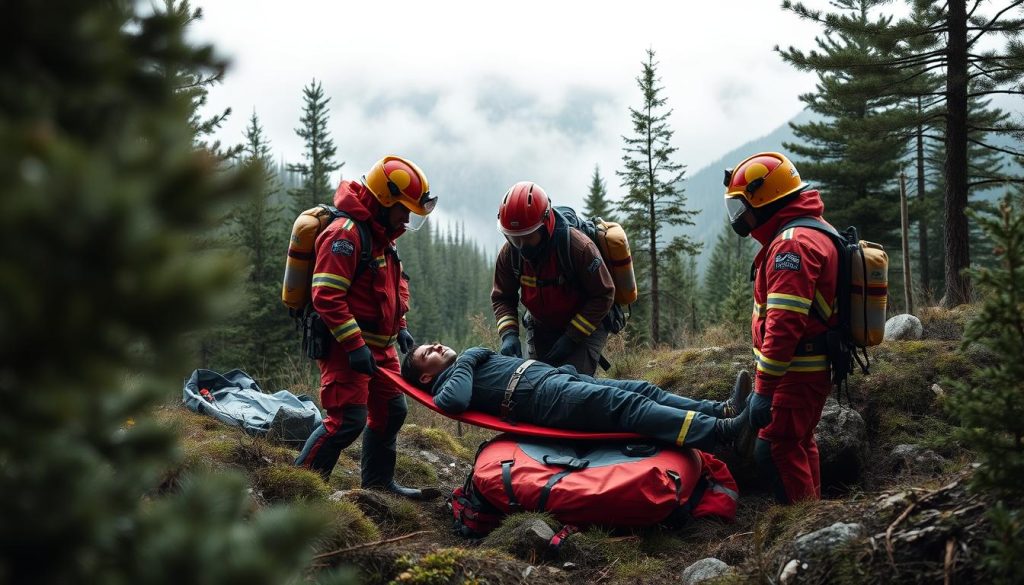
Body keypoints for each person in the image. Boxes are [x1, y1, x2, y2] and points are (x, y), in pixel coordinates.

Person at [294, 155, 439, 500]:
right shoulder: (344, 235)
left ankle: (377, 485)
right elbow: (326, 295)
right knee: (346, 420)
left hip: (381, 346)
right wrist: (355, 345)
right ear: (383, 200)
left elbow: (388, 290)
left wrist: (400, 326)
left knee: (391, 413)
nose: (406, 218)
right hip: (346, 347)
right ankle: (300, 491)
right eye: (402, 208)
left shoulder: (382, 236)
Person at [722, 152, 839, 504]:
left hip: (795, 373)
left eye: (742, 207)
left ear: (765, 199)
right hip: (809, 369)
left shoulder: (791, 245)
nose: (740, 218)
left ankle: (801, 530)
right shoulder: (813, 229)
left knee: (774, 450)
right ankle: (815, 514)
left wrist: (764, 389)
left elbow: (785, 326)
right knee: (799, 442)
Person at [401, 343, 752, 451]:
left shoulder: (464, 364)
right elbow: (454, 403)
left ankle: (721, 410)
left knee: (643, 390)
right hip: (544, 399)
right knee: (631, 408)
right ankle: (721, 433)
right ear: (427, 375)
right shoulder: (450, 382)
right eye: (425, 354)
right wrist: (469, 356)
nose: (433, 345)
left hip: (556, 381)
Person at [491, 181, 615, 376]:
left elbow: (604, 294)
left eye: (528, 237)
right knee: (533, 385)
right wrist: (509, 335)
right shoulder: (510, 253)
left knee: (572, 387)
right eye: (514, 238)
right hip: (541, 324)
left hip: (584, 323)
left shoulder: (578, 248)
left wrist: (571, 337)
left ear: (545, 225)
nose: (522, 246)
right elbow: (502, 296)